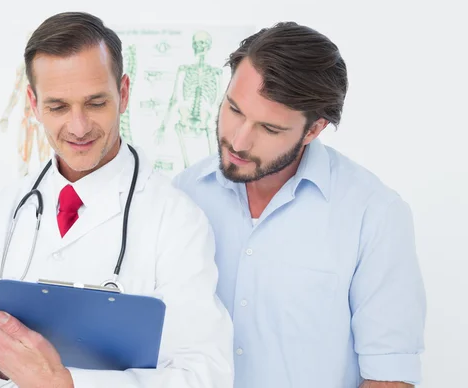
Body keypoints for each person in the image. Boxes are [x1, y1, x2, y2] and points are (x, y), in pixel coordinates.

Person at [0, 11, 234, 388]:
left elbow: (205, 373)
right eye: (58, 106)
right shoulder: (2, 212)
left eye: (95, 103)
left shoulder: (175, 219)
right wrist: (9, 365)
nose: (78, 127)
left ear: (123, 94)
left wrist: (63, 383)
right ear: (33, 102)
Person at [173, 22, 426, 388]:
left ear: (313, 130)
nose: (239, 141)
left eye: (269, 129)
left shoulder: (374, 215)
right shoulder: (184, 194)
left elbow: (389, 375)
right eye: (234, 109)